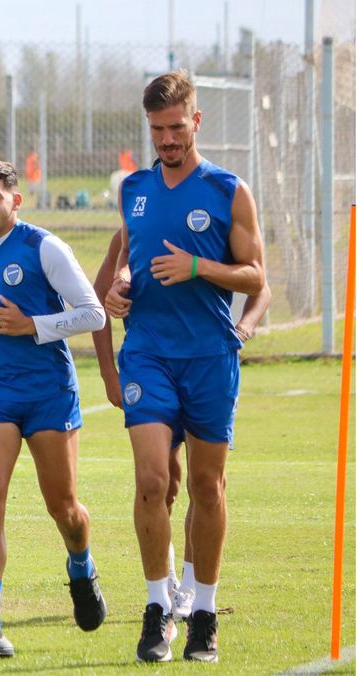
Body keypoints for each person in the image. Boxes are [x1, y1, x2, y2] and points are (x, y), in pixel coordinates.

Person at [105, 71, 267, 664]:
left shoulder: (229, 190)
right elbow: (130, 262)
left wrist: (199, 268)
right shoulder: (133, 188)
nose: (167, 140)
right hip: (147, 350)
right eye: (157, 130)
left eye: (176, 128)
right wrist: (121, 290)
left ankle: (203, 612)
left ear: (196, 121)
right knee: (152, 482)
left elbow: (254, 278)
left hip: (209, 356)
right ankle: (156, 608)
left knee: (206, 486)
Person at [0, 160, 107, 659]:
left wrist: (33, 325)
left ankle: (80, 565)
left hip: (47, 393)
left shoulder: (44, 247)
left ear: (16, 200)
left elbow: (93, 312)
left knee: (64, 508)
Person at [91, 229, 270, 623]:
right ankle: (165, 581)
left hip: (207, 367)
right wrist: (108, 371)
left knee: (204, 484)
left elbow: (261, 287)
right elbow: (98, 297)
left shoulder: (218, 218)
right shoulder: (129, 229)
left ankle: (191, 587)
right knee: (162, 481)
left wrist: (243, 329)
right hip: (151, 366)